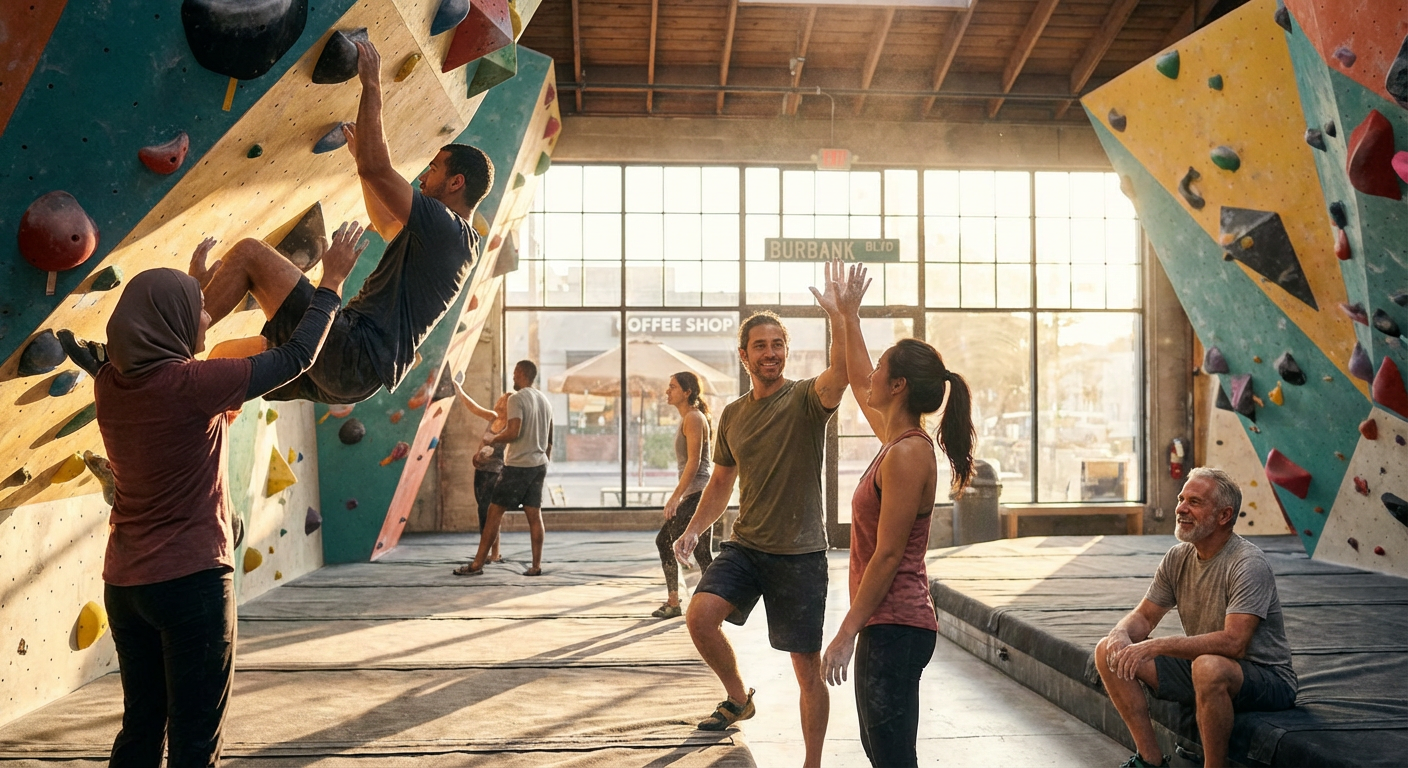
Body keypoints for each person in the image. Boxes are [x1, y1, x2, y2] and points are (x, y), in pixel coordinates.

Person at [61, 36, 488, 405]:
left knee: (249, 255)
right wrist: (362, 165)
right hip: (355, 377)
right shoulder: (450, 243)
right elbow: (387, 217)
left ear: (456, 182)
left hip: (352, 350)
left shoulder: (447, 227)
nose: (424, 176)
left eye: (433, 168)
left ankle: (138, 352)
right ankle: (153, 395)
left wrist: (372, 83)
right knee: (226, 361)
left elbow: (381, 172)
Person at [93, 223, 364, 766]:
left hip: (125, 586)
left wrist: (193, 286)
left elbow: (164, 343)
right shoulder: (196, 385)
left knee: (141, 729)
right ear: (170, 326)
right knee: (195, 742)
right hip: (190, 585)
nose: (206, 318)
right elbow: (297, 358)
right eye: (197, 311)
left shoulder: (111, 384)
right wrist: (331, 282)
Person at [671, 261, 854, 768]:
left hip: (799, 554)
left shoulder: (805, 398)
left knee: (805, 670)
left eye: (778, 344)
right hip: (747, 544)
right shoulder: (731, 414)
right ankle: (739, 697)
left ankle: (811, 763)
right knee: (700, 617)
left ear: (786, 351)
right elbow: (723, 481)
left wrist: (840, 316)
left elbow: (841, 374)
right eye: (760, 345)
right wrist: (692, 530)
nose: (770, 352)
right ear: (744, 354)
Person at [818, 265, 974, 768]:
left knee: (890, 757)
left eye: (882, 366)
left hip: (897, 625)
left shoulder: (907, 455)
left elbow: (887, 555)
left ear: (900, 384)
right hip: (889, 625)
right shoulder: (899, 443)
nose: (871, 375)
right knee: (882, 752)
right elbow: (862, 380)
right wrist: (848, 318)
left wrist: (844, 634)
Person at [1094, 468, 1297, 768]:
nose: (1181, 508)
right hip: (1205, 668)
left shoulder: (1247, 563)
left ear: (1224, 515)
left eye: (1195, 502)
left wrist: (1156, 646)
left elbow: (1234, 644)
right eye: (1181, 499)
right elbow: (1145, 617)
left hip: (1267, 679)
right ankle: (1149, 760)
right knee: (1107, 649)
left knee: (1208, 666)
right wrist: (1121, 634)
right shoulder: (1178, 557)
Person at [455, 360, 553, 577]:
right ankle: (536, 566)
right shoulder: (545, 400)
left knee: (493, 513)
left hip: (518, 466)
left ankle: (477, 565)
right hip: (538, 465)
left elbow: (514, 432)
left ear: (521, 373)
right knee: (535, 516)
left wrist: (493, 439)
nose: (513, 377)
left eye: (515, 373)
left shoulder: (517, 399)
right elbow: (549, 439)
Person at [651, 371, 715, 619]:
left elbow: (694, 462)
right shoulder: (689, 418)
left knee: (668, 543)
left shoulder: (694, 418)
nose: (668, 391)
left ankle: (678, 602)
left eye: (673, 387)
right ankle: (706, 604)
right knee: (700, 553)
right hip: (696, 494)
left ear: (687, 391)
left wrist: (675, 497)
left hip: (698, 495)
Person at [454, 382, 507, 563]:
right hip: (481, 470)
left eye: (502, 403)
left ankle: (492, 553)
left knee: (490, 512)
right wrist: (460, 390)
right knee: (482, 511)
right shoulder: (493, 418)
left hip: (495, 472)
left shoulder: (510, 425)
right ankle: (489, 551)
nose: (498, 404)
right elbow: (474, 408)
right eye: (499, 401)